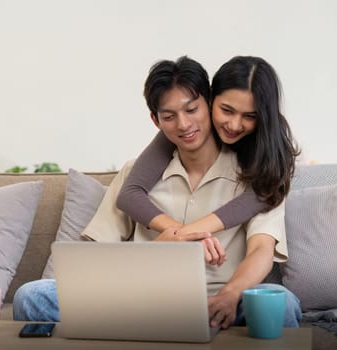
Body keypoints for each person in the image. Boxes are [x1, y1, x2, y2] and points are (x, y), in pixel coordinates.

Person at [13, 56, 302, 329]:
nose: (185, 125)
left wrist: (230, 295)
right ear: (157, 120)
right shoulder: (135, 173)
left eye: (191, 110)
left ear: (207, 101)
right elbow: (97, 256)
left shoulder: (261, 174)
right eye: (170, 116)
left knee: (283, 303)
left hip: (219, 300)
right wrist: (165, 245)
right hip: (142, 300)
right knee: (32, 296)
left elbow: (262, 250)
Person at [116, 56, 298, 237]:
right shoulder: (182, 130)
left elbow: (264, 193)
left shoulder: (268, 145)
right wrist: (185, 235)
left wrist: (188, 234)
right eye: (226, 110)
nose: (234, 125)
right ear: (211, 100)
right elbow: (129, 195)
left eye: (250, 116)